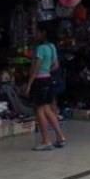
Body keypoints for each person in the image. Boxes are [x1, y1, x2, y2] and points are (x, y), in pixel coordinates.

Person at [26, 23, 67, 151]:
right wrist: (46, 69)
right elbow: (56, 65)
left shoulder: (40, 49)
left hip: (39, 81)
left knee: (39, 111)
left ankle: (46, 140)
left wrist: (29, 84)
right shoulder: (51, 47)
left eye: (37, 32)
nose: (35, 34)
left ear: (43, 33)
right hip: (48, 79)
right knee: (48, 109)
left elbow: (35, 68)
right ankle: (60, 137)